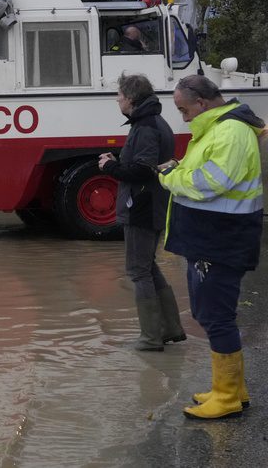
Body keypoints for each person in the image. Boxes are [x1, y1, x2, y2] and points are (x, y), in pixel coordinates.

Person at [157, 74, 264, 419]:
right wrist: (180, 169)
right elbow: (205, 173)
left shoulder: (229, 132)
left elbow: (210, 183)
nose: (183, 118)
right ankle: (231, 389)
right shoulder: (220, 129)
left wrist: (170, 177)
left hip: (220, 240)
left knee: (216, 316)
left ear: (201, 103)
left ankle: (229, 396)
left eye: (184, 110)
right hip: (212, 239)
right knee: (209, 313)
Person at [97, 74, 186, 351]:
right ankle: (170, 329)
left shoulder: (146, 126)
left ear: (132, 99)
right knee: (148, 266)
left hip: (142, 207)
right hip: (152, 204)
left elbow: (142, 170)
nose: (117, 99)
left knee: (138, 271)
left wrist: (109, 168)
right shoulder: (153, 122)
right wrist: (117, 160)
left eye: (120, 95)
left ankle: (150, 337)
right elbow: (144, 164)